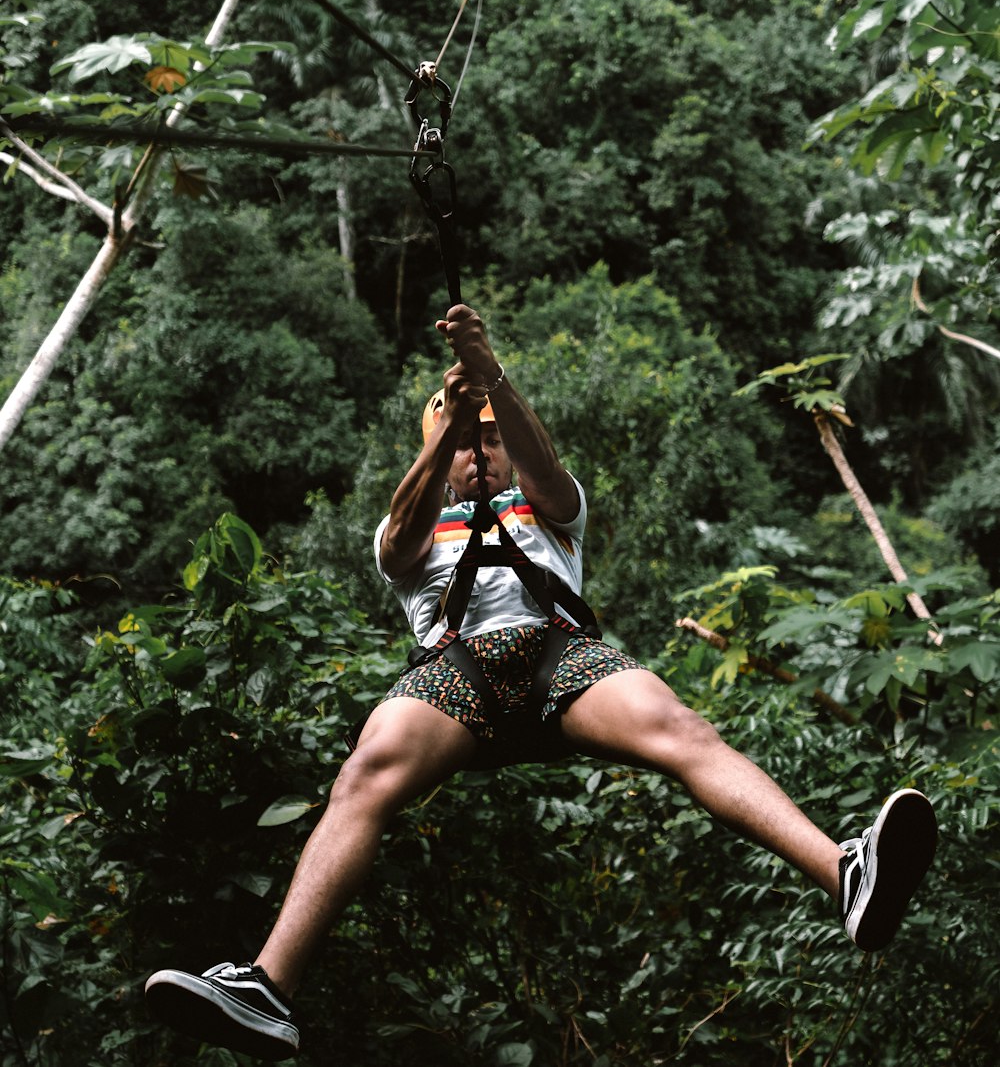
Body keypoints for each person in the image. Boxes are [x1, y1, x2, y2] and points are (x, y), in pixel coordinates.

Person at [145, 303, 938, 1061]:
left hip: (562, 660)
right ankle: (268, 987)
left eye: (489, 440)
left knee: (680, 729)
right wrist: (449, 425)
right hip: (457, 675)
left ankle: (844, 873)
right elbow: (398, 535)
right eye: (464, 443)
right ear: (440, 452)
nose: (478, 451)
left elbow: (547, 470)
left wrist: (489, 378)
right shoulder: (412, 527)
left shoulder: (553, 511)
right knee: (366, 772)